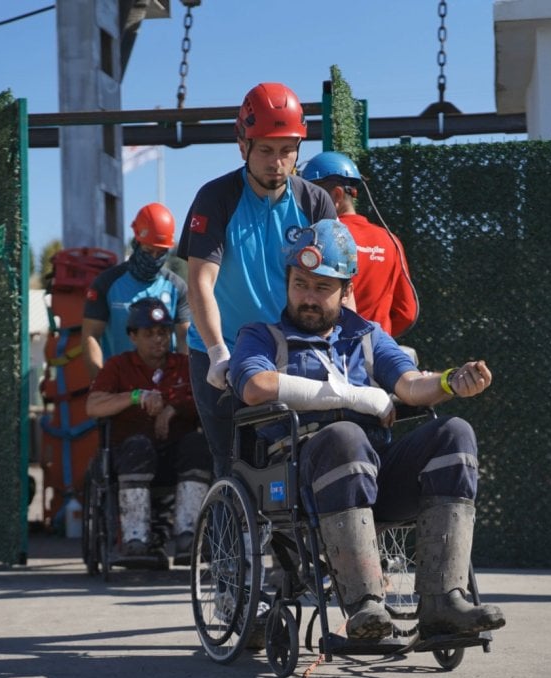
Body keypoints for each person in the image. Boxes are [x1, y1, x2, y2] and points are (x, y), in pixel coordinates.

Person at [228, 219, 506, 641]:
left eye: (322, 288)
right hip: (301, 478)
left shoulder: (368, 337)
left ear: (347, 290)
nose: (307, 296)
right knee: (346, 436)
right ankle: (365, 607)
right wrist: (353, 398)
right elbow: (254, 386)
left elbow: (411, 386)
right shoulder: (263, 336)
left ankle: (443, 602)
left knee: (455, 433)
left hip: (374, 478)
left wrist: (452, 381)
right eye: (300, 283)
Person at [176, 82, 336, 477]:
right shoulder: (215, 198)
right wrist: (216, 352)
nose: (276, 162)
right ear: (242, 144)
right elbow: (200, 283)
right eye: (265, 149)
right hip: (223, 352)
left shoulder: (315, 202)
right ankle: (226, 537)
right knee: (231, 466)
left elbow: (337, 286)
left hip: (290, 350)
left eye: (287, 150)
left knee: (300, 462)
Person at [86, 297, 211, 565]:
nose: (159, 340)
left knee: (198, 445)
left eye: (163, 332)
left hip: (174, 457)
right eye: (149, 334)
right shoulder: (118, 366)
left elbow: (207, 401)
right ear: (133, 336)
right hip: (130, 456)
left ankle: (188, 536)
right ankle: (135, 538)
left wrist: (174, 408)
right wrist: (134, 397)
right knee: (138, 446)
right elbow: (93, 406)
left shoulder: (184, 365)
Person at [301, 151, 419, 336]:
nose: (303, 204)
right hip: (376, 356)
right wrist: (377, 337)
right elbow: (407, 313)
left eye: (311, 195)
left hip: (330, 354)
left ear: (337, 196)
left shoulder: (317, 238)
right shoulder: (390, 241)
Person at [82, 202, 191, 379]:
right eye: (149, 251)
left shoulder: (177, 287)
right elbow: (91, 335)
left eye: (160, 252)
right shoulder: (106, 283)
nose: (154, 258)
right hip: (119, 384)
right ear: (136, 242)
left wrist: (181, 384)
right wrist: (100, 383)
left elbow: (184, 338)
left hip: (164, 385)